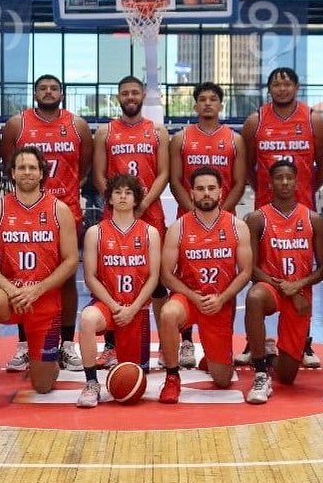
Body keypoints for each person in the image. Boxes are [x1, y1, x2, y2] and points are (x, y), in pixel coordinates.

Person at [0, 147, 78, 414]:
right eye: (21, 168)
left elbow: (71, 260)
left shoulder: (59, 210)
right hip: (10, 297)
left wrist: (37, 289)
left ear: (41, 173)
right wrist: (9, 288)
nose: (27, 172)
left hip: (45, 300)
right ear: (13, 174)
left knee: (43, 386)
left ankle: (45, 358)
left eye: (32, 168)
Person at [240, 67, 323, 368]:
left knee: (302, 274)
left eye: (287, 83)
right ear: (269, 89)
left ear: (296, 86)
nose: (282, 88)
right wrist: (262, 191)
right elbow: (248, 166)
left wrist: (307, 188)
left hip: (301, 207)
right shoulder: (255, 121)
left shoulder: (313, 120)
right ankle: (255, 342)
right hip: (266, 210)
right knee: (258, 272)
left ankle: (303, 342)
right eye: (276, 84)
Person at [1, 74, 92, 373]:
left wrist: (67, 190)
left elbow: (84, 166)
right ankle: (24, 345)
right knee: (22, 276)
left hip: (65, 211)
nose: (48, 92)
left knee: (66, 278)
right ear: (35, 93)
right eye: (43, 88)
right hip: (24, 211)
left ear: (62, 93)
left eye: (54, 88)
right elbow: (9, 164)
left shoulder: (77, 125)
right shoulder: (17, 125)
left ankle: (66, 344)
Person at [156, 166, 252, 404]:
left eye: (211, 188)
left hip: (219, 301)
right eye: (200, 189)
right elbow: (166, 275)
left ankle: (211, 357)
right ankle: (172, 377)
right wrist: (193, 296)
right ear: (191, 193)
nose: (206, 193)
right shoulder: (178, 227)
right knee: (168, 313)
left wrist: (222, 298)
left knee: (223, 380)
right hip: (189, 298)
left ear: (220, 191)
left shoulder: (237, 226)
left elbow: (245, 272)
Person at [93, 76, 170, 369]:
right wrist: (118, 205)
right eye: (125, 93)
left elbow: (163, 173)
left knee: (157, 281)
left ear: (143, 95)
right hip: (116, 214)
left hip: (150, 212)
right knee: (110, 277)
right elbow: (99, 174)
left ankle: (166, 345)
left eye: (135, 92)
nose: (130, 97)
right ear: (118, 97)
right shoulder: (106, 132)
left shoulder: (158, 131)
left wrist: (143, 203)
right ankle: (111, 346)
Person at [168, 81, 246, 368]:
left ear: (221, 104)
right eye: (202, 99)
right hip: (190, 217)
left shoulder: (235, 140)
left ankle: (221, 342)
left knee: (225, 279)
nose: (208, 103)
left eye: (213, 99)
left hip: (222, 219)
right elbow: (176, 181)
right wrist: (196, 214)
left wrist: (218, 213)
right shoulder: (181, 138)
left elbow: (239, 182)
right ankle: (186, 341)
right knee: (185, 276)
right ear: (195, 105)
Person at [243, 159, 323, 404]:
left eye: (289, 178)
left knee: (287, 376)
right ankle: (260, 371)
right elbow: (251, 269)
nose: (284, 182)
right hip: (271, 287)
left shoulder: (313, 219)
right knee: (254, 297)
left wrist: (299, 286)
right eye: (279, 178)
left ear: (297, 182)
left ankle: (269, 354)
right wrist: (287, 288)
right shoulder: (257, 218)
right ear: (270, 183)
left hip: (299, 293)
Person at [76, 174, 161, 408]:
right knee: (87, 318)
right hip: (107, 305)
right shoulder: (96, 232)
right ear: (110, 199)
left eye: (128, 192)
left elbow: (154, 277)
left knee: (133, 379)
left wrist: (133, 308)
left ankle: (120, 355)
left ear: (136, 199)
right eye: (117, 192)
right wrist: (114, 307)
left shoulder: (150, 233)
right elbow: (90, 277)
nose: (123, 196)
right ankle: (91, 383)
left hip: (137, 309)